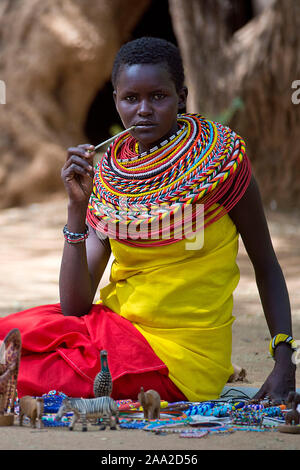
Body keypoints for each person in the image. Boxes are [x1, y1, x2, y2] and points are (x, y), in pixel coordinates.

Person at [0, 37, 296, 403]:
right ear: (115, 101)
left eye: (158, 96)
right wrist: (77, 208)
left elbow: (266, 264)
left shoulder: (221, 166)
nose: (143, 110)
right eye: (131, 98)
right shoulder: (109, 180)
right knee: (11, 336)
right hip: (114, 331)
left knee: (31, 373)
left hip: (179, 358)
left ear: (181, 96)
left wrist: (286, 360)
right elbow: (75, 306)